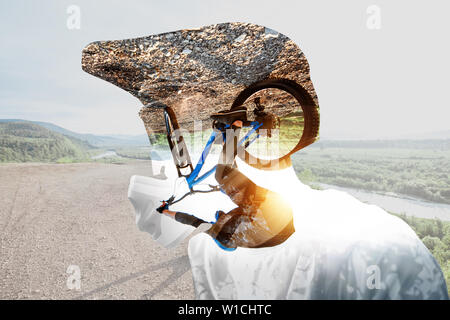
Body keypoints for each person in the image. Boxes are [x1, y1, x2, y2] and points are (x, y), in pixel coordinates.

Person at [157, 108, 295, 250]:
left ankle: (251, 129)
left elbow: (238, 197)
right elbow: (192, 221)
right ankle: (236, 124)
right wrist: (165, 211)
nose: (222, 217)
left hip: (282, 218)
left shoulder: (241, 234)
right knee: (221, 174)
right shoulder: (221, 235)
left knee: (233, 182)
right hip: (268, 219)